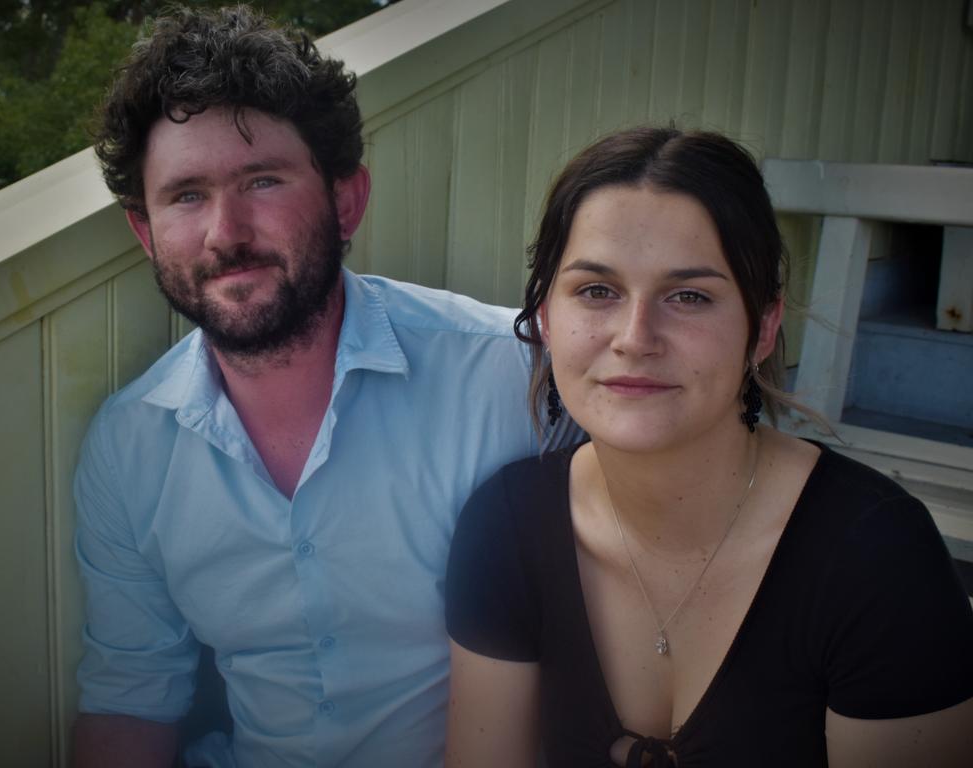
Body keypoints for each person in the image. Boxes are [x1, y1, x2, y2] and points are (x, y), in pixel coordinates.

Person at [71, 6, 575, 767]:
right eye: (186, 196)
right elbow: (130, 698)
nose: (225, 233)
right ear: (145, 233)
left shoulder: (509, 374)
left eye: (262, 180)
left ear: (346, 202)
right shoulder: (128, 445)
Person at [444, 126, 973, 767]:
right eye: (597, 290)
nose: (636, 337)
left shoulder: (876, 557)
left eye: (689, 296)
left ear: (764, 328)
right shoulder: (508, 526)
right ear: (548, 320)